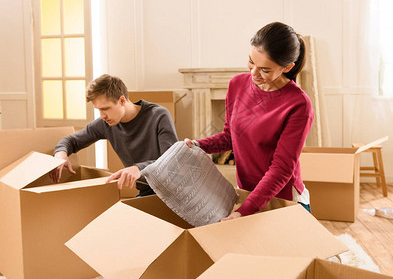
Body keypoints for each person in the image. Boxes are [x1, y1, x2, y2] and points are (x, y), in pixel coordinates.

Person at [185, 22, 314, 221]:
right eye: (251, 61)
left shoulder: (298, 104)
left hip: (284, 200)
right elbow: (230, 137)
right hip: (247, 194)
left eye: (265, 70)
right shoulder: (237, 85)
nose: (254, 73)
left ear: (287, 67)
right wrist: (197, 146)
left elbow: (281, 169)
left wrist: (243, 211)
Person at [50, 74, 178, 196]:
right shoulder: (105, 124)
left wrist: (138, 168)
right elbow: (71, 141)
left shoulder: (158, 115)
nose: (102, 115)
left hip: (173, 192)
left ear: (122, 100)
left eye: (105, 108)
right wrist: (60, 154)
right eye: (98, 110)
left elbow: (170, 162)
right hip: (147, 192)